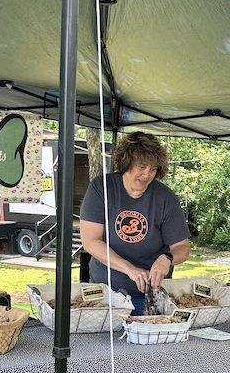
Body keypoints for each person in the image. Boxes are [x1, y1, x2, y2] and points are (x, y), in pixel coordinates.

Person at [79, 132, 190, 314]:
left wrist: (167, 259)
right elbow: (91, 241)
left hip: (151, 294)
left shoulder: (165, 198)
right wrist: (130, 269)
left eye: (153, 169)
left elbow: (182, 247)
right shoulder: (102, 188)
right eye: (142, 166)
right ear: (127, 163)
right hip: (107, 290)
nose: (147, 174)